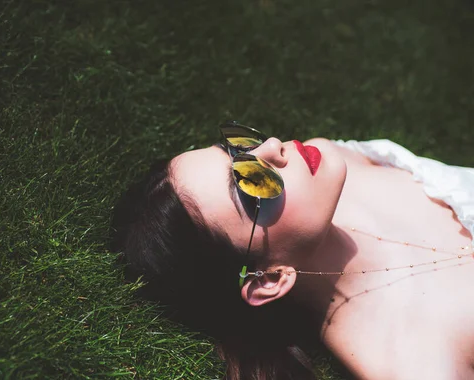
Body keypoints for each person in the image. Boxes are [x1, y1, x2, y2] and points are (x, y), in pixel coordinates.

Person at [111, 121, 474, 380]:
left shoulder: (338, 165)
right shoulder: (413, 361)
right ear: (269, 279)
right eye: (253, 183)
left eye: (238, 147)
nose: (270, 146)